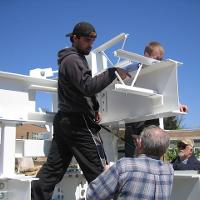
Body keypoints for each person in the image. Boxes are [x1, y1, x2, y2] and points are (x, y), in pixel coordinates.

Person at [31, 21, 131, 200]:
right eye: (87, 40)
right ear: (74, 38)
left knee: (53, 170)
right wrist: (112, 72)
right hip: (78, 123)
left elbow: (80, 87)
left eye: (93, 40)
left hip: (66, 122)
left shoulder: (74, 59)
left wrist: (95, 107)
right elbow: (87, 86)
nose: (90, 45)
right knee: (98, 172)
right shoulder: (73, 59)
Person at [125, 41, 188, 157]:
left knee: (152, 151)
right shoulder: (130, 69)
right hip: (133, 118)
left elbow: (167, 90)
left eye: (161, 59)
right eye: (156, 58)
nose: (159, 62)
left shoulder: (159, 71)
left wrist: (178, 104)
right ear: (146, 55)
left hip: (151, 117)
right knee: (132, 155)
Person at [86, 125, 174, 200]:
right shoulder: (169, 170)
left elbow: (93, 195)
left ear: (140, 144)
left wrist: (106, 172)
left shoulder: (124, 165)